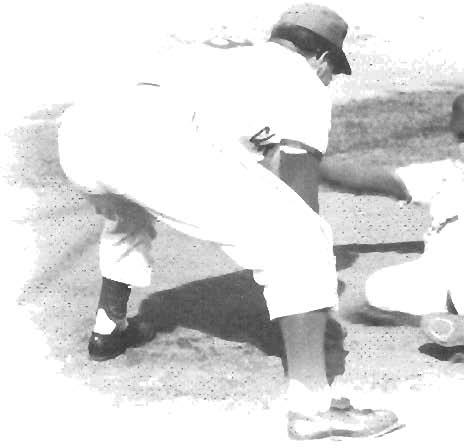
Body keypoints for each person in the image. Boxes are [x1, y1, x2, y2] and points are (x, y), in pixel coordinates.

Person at [58, 3, 399, 440]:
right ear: (321, 57)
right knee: (305, 237)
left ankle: (108, 330)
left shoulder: (226, 58)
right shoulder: (303, 80)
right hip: (154, 138)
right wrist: (303, 271)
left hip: (81, 134)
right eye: (334, 70)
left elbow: (254, 160)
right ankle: (313, 410)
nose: (330, 80)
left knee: (128, 214)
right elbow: (298, 182)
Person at [320, 93, 464, 348]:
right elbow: (378, 181)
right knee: (378, 287)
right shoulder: (446, 173)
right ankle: (448, 323)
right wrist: (308, 165)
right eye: (462, 137)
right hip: (438, 274)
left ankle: (455, 326)